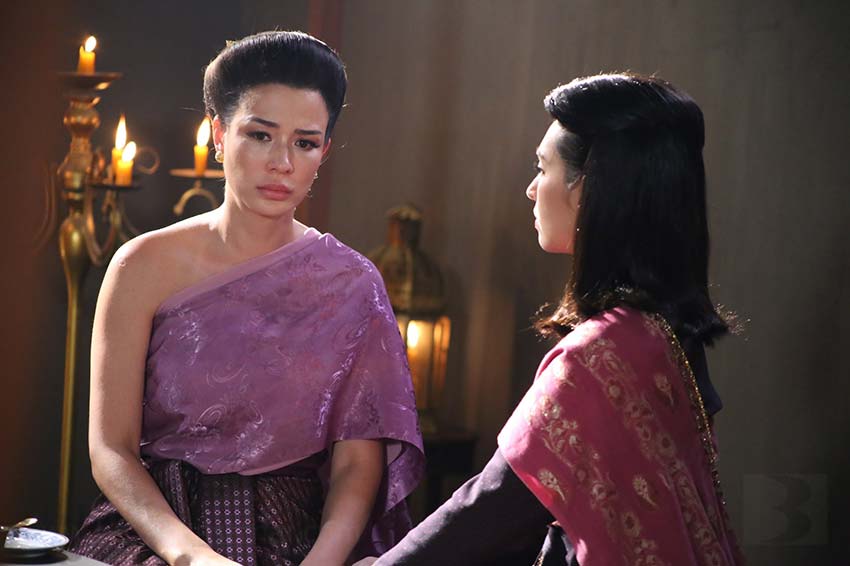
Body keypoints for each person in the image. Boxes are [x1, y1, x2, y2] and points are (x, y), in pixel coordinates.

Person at [355, 73, 744, 565]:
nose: (531, 189)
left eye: (543, 168)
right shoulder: (662, 332)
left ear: (589, 188)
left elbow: (499, 505)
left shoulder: (602, 353)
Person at [70, 31, 424, 566]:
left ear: (324, 151)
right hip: (155, 531)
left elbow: (357, 465)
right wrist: (188, 555)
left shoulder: (354, 284)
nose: (282, 162)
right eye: (260, 135)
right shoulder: (140, 266)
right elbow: (110, 449)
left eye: (305, 143)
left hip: (296, 537)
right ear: (218, 133)